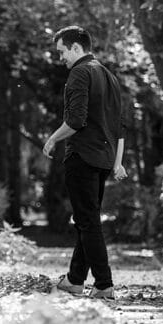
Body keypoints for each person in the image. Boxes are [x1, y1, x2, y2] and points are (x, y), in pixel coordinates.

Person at [42, 26, 127, 301]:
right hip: (103, 159)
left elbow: (76, 120)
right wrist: (117, 161)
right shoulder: (110, 77)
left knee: (87, 222)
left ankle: (103, 283)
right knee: (86, 220)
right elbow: (119, 126)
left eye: (62, 52)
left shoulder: (80, 72)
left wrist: (53, 138)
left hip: (83, 157)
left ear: (76, 48)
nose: (61, 58)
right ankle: (75, 280)